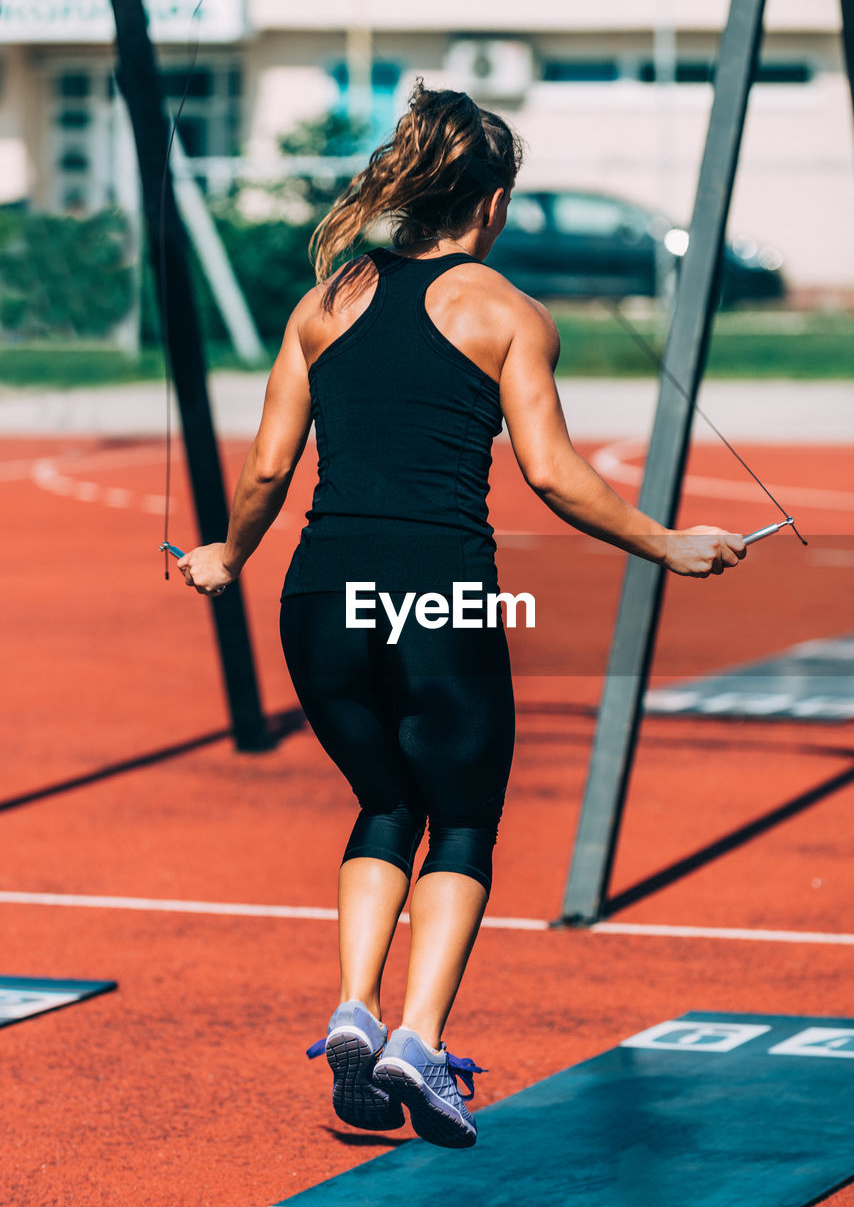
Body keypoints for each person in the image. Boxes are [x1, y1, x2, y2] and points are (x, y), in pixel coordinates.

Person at [177, 79, 746, 1150]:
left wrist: (224, 552)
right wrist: (663, 540)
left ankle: (353, 1003)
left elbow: (262, 467)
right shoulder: (504, 312)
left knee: (383, 798)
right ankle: (417, 1037)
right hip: (436, 591)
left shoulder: (327, 301)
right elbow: (554, 476)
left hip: (317, 594)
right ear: (488, 203)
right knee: (465, 818)